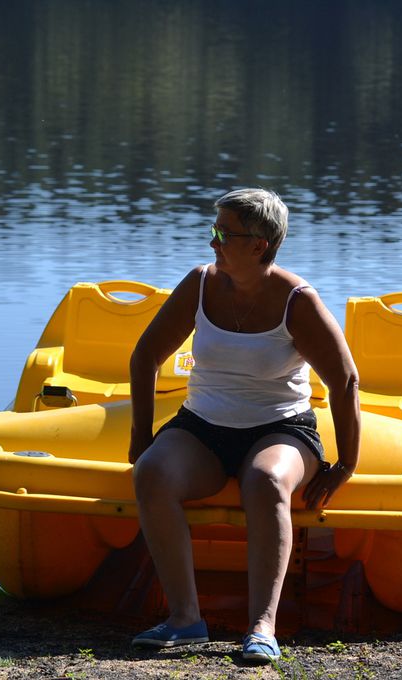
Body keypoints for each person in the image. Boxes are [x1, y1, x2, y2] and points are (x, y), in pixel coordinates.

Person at [127, 188, 360, 662]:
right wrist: (141, 440)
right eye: (213, 230)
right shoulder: (199, 283)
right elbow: (146, 356)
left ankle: (262, 628)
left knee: (266, 479)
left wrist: (347, 465)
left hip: (282, 428)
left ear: (259, 244)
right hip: (203, 426)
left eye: (223, 233)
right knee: (151, 473)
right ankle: (185, 619)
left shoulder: (297, 300)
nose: (212, 242)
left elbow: (346, 381)